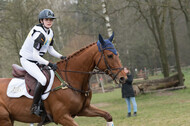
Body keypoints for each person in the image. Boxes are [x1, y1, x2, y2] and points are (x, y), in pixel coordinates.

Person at [19, 9, 66, 116]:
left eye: (51, 20)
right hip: (27, 60)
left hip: (36, 60)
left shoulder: (50, 32)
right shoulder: (39, 34)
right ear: (41, 21)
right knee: (43, 79)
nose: (49, 22)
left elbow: (50, 49)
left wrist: (61, 56)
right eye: (47, 19)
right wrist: (49, 64)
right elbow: (35, 55)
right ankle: (35, 106)